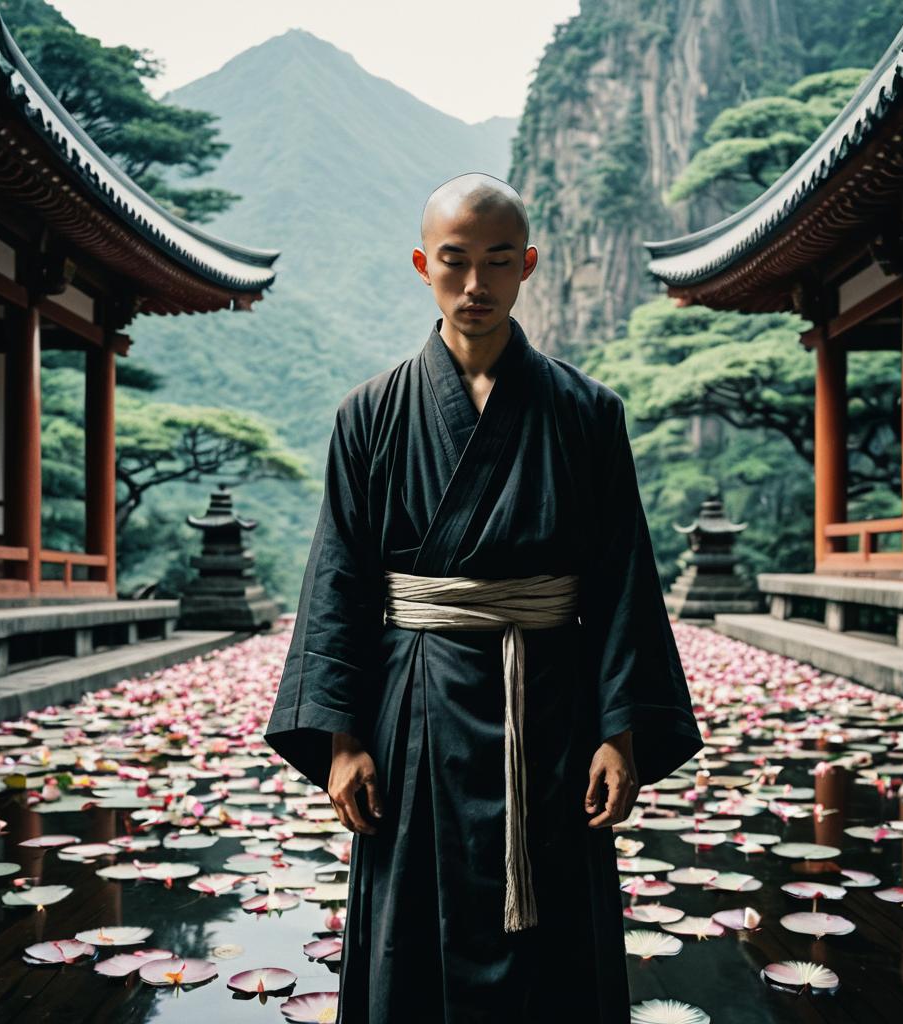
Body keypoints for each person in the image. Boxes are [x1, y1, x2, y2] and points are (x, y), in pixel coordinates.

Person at [264, 172, 704, 1024]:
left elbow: (621, 580)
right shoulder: (370, 415)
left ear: (528, 264)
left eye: (498, 262)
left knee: (558, 927)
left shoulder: (587, 413)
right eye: (456, 262)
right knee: (412, 925)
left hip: (553, 706)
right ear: (423, 265)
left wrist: (621, 733)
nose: (476, 286)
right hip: (414, 708)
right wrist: (342, 739)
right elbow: (339, 581)